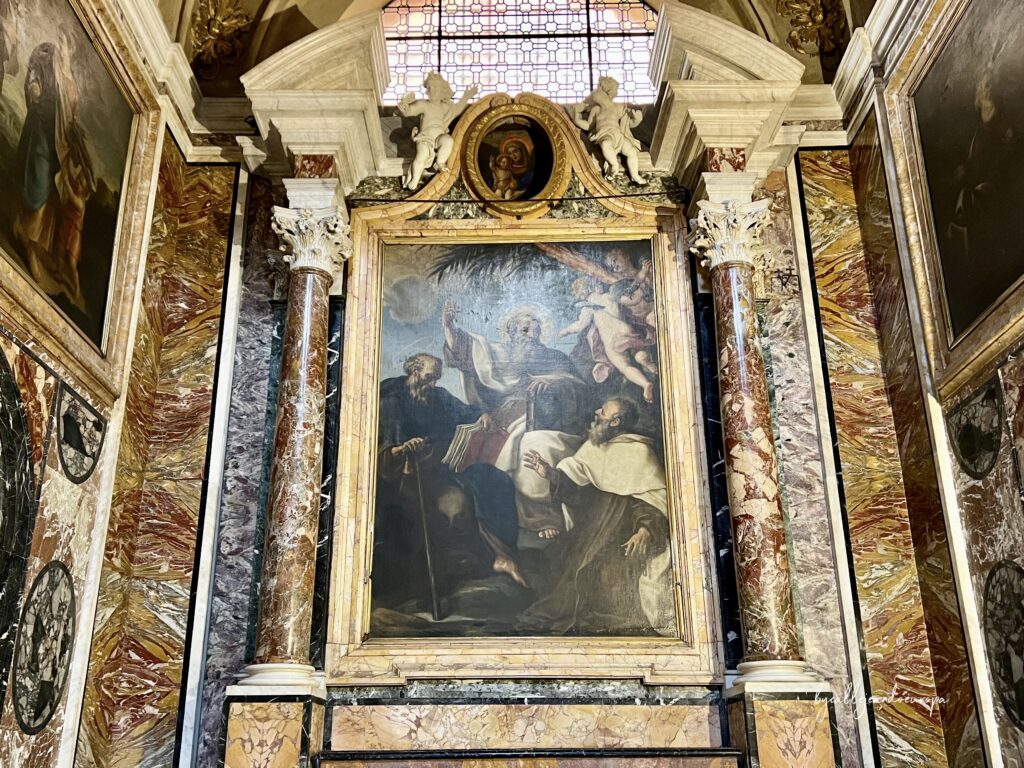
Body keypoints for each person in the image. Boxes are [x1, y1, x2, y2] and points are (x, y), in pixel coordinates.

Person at [374, 353, 526, 611]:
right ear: (413, 370)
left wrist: (482, 416)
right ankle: (419, 586)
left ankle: (502, 556)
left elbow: (466, 412)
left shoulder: (438, 397)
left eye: (436, 379)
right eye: (428, 377)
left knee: (493, 480)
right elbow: (378, 453)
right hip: (403, 477)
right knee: (417, 514)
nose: (432, 384)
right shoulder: (389, 402)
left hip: (441, 468)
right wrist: (403, 449)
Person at [521, 397, 675, 636]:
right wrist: (551, 474)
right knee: (558, 566)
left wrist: (645, 529)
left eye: (603, 411)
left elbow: (653, 500)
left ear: (615, 421)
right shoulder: (594, 448)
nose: (596, 412)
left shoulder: (640, 452)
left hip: (622, 530)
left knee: (604, 579)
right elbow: (581, 494)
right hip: (593, 527)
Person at [560, 279, 658, 403]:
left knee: (624, 366)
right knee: (638, 348)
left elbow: (579, 326)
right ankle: (643, 359)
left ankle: (645, 384)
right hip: (625, 329)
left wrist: (565, 331)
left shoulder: (587, 308)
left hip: (611, 341)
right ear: (593, 287)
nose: (600, 284)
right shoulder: (608, 297)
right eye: (597, 284)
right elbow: (626, 303)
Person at [398, 72, 478, 190]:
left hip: (439, 137)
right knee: (422, 155)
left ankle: (440, 162)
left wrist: (467, 96)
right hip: (425, 138)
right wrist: (405, 109)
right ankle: (414, 179)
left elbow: (457, 109)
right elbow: (409, 111)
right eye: (429, 88)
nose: (431, 90)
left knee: (448, 140)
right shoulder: (423, 104)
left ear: (443, 90)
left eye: (435, 88)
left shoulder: (445, 107)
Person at [573, 76, 647, 186]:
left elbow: (629, 123)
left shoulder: (618, 107)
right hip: (604, 134)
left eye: (596, 91)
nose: (593, 95)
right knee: (606, 144)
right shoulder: (595, 110)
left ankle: (635, 175)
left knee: (631, 151)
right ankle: (614, 165)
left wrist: (637, 118)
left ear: (606, 93)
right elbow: (589, 125)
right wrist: (576, 118)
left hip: (618, 134)